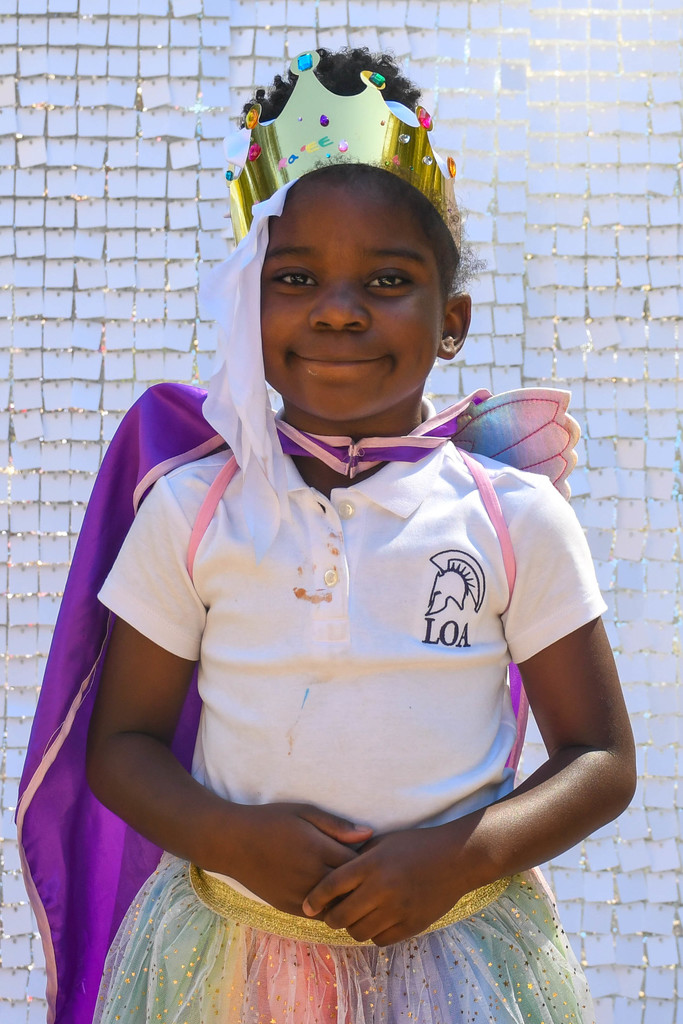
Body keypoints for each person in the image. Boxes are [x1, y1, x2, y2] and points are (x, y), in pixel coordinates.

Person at [80, 48, 635, 1024]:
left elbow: (598, 760)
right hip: (231, 972)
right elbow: (120, 747)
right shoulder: (194, 511)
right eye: (293, 276)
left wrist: (460, 856)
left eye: (385, 279)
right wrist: (228, 836)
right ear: (245, 310)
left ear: (449, 318)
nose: (338, 309)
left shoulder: (511, 517)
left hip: (454, 958)